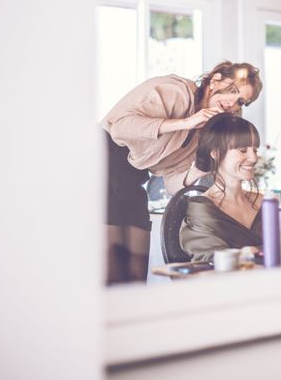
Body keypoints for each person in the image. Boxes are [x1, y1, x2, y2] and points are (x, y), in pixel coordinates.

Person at [102, 61, 262, 284]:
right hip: (103, 163)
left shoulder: (201, 134)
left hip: (135, 179)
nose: (232, 104)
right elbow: (119, 128)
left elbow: (170, 186)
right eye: (232, 91)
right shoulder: (176, 92)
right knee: (110, 270)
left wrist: (195, 171)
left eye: (240, 101)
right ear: (215, 80)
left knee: (137, 275)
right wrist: (185, 123)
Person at [180, 113, 264, 262]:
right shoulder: (202, 209)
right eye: (243, 150)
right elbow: (210, 259)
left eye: (255, 150)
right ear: (216, 153)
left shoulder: (263, 202)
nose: (254, 158)